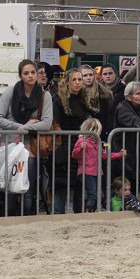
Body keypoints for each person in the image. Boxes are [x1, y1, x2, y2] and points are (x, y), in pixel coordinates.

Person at [0, 58, 53, 216]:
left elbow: (46, 123)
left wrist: (24, 128)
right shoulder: (10, 92)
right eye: (26, 73)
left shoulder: (45, 96)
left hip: (31, 147)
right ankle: (9, 219)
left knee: (28, 189)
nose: (31, 76)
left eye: (33, 72)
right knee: (10, 188)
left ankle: (26, 221)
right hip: (10, 145)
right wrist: (19, 127)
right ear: (20, 76)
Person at [50, 68, 99, 214]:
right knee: (61, 185)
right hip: (63, 146)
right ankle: (57, 216)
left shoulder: (84, 99)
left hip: (80, 147)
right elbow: (56, 124)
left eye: (79, 79)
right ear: (67, 82)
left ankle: (78, 215)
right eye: (74, 80)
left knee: (79, 184)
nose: (77, 83)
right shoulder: (58, 100)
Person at [112, 80, 140, 197]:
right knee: (124, 184)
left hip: (139, 153)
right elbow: (132, 120)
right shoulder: (122, 107)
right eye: (138, 93)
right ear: (128, 97)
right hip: (124, 153)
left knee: (136, 183)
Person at [72, 118, 124, 212]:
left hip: (96, 172)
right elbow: (75, 155)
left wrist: (119, 154)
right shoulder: (81, 141)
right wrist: (80, 148)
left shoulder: (97, 143)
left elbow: (105, 155)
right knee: (93, 193)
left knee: (99, 194)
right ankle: (89, 211)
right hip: (86, 171)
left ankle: (90, 209)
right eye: (98, 131)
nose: (99, 133)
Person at [81, 64, 115, 134]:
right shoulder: (76, 93)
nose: (88, 77)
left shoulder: (105, 92)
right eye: (85, 75)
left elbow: (109, 114)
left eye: (90, 75)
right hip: (82, 130)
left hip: (102, 130)